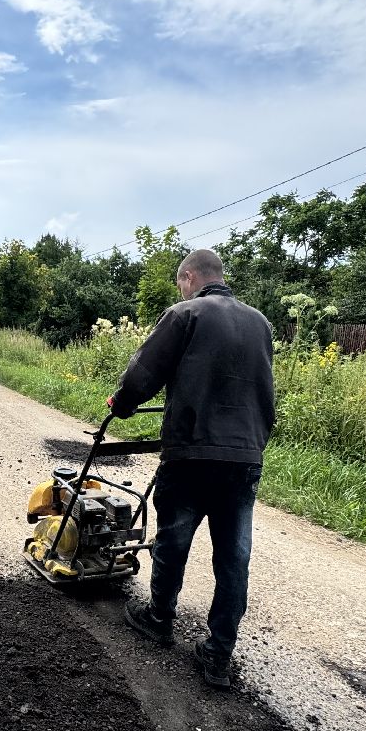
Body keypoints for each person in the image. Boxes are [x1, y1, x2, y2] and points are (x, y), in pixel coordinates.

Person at [108, 248, 275, 688]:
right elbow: (264, 389)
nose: (180, 288)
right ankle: (218, 654)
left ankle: (159, 617)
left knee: (174, 537)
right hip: (244, 458)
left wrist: (122, 404)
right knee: (234, 558)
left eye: (180, 282)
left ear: (188, 277)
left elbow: (146, 370)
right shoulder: (260, 323)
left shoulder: (185, 314)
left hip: (192, 454)